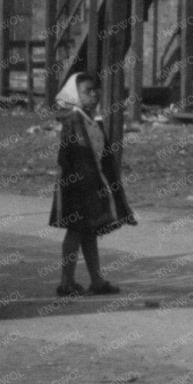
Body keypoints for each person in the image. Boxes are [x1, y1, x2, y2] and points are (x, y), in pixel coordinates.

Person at [49, 71, 137, 296]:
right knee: (76, 231)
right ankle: (65, 282)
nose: (94, 94)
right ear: (74, 94)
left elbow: (101, 156)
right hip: (77, 186)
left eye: (96, 90)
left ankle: (96, 281)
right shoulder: (73, 120)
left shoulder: (90, 119)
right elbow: (71, 156)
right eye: (87, 91)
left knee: (88, 232)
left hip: (91, 184)